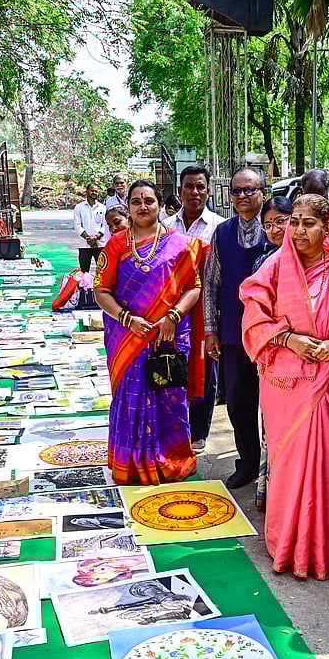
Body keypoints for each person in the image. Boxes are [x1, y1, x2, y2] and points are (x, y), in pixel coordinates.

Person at [240, 194, 329, 580]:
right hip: (284, 383)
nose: (300, 230)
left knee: (328, 467)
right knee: (288, 466)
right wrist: (290, 340)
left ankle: (323, 548)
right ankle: (286, 544)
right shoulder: (275, 266)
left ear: (328, 227)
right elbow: (254, 318)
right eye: (295, 222)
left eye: (310, 223)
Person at [93, 180, 206, 485]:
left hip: (168, 336)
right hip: (127, 337)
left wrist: (173, 315)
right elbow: (101, 291)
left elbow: (193, 287)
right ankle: (130, 463)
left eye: (149, 201)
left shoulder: (180, 244)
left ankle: (171, 460)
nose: (143, 207)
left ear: (160, 205)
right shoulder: (116, 245)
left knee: (170, 396)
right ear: (127, 206)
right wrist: (127, 319)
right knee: (130, 397)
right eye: (136, 202)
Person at [203, 167, 268, 489]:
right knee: (239, 402)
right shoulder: (223, 232)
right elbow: (211, 283)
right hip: (233, 332)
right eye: (237, 191)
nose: (242, 196)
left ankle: (277, 466)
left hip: (271, 336)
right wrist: (210, 330)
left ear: (263, 193)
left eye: (249, 190)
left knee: (274, 405)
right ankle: (248, 463)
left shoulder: (276, 230)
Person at [166, 166, 224, 451]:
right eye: (189, 186)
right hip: (171, 306)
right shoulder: (165, 226)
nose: (195, 192)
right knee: (172, 363)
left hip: (207, 308)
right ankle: (173, 424)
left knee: (206, 367)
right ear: (180, 190)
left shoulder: (219, 227)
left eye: (200, 186)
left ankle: (199, 430)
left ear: (208, 190)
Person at [253, 195, 291, 510]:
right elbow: (256, 318)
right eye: (268, 224)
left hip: (310, 361)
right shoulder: (264, 263)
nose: (275, 229)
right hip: (274, 356)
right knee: (272, 429)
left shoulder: (317, 261)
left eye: (281, 221)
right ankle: (270, 491)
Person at [73, 183, 107, 272]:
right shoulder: (79, 207)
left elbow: (105, 225)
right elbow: (77, 226)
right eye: (92, 190)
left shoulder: (103, 208)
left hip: (100, 244)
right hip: (84, 245)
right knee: (84, 272)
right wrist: (90, 240)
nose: (94, 193)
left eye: (96, 191)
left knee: (102, 271)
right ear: (87, 192)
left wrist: (96, 238)